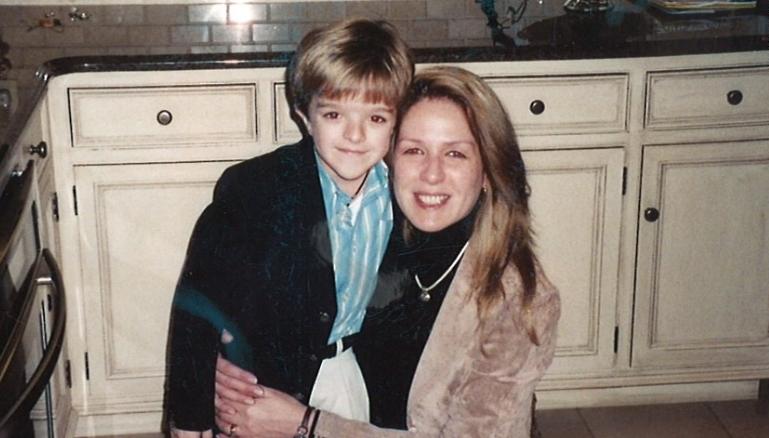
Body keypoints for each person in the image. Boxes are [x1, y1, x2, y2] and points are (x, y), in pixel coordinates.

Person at [212, 66, 561, 438]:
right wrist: (227, 367)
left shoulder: (519, 299)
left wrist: (305, 425)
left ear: (489, 171)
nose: (431, 174)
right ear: (389, 158)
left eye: (455, 154)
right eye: (414, 150)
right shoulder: (364, 230)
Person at [164, 18, 414, 437]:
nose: (354, 135)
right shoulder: (255, 190)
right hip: (265, 382)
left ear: (395, 123)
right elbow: (197, 309)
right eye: (334, 113)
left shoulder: (405, 196)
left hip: (352, 372)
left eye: (375, 118)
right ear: (304, 114)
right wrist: (189, 421)